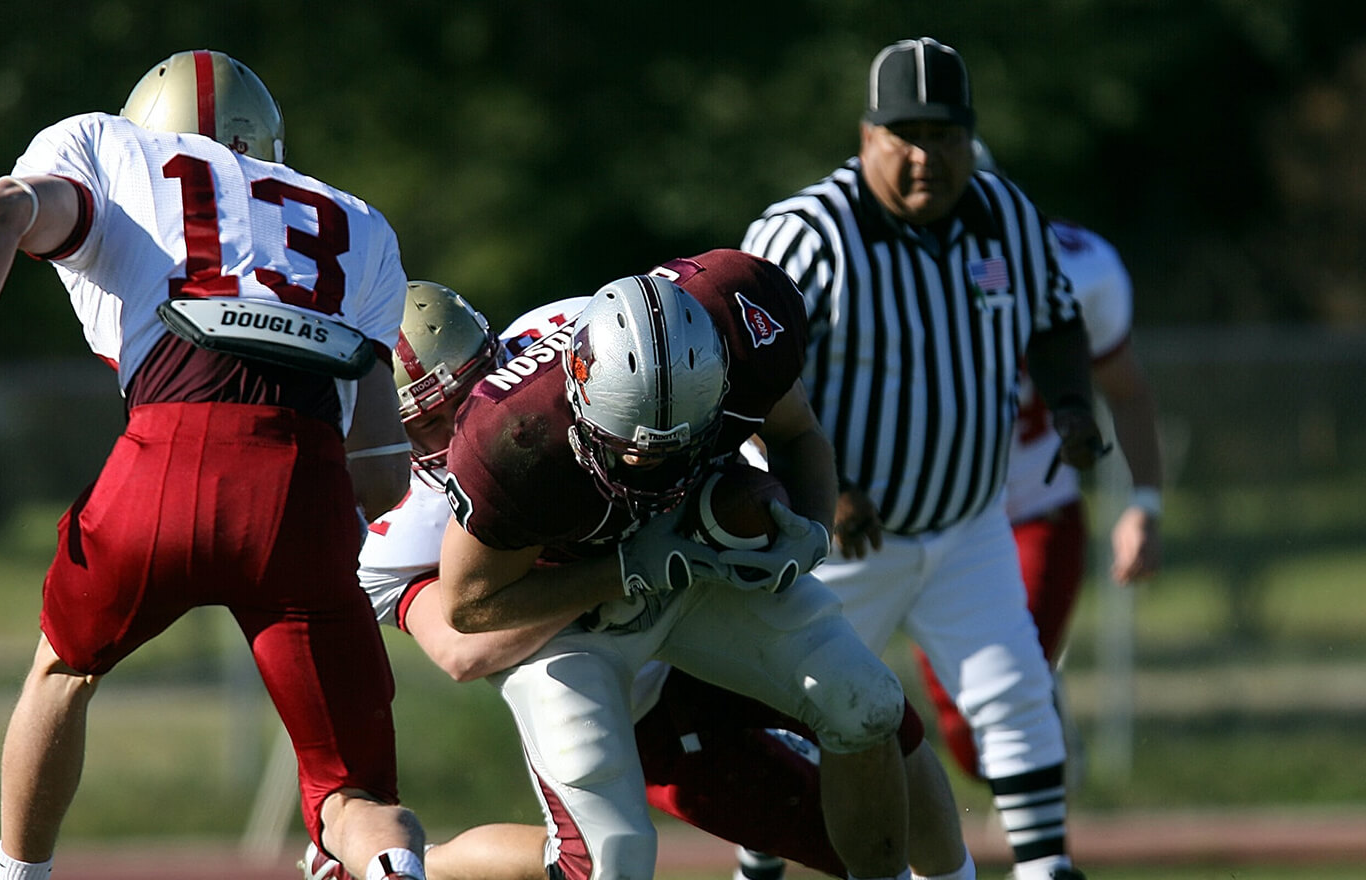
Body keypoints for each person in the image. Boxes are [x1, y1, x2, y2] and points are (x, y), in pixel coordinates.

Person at [0, 50, 428, 880]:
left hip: (166, 452)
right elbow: (383, 468)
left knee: (64, 669)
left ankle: (17, 872)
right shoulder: (358, 220)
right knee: (353, 794)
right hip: (303, 477)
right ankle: (390, 867)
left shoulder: (111, 150)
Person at [326, 282, 975, 880]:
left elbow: (723, 424)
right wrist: (622, 571)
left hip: (694, 589)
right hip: (619, 681)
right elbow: (464, 646)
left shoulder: (575, 344)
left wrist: (763, 514)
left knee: (873, 714)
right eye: (429, 422)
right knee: (611, 862)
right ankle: (425, 867)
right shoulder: (399, 521)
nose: (463, 422)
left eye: (470, 388)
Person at [741, 38, 1105, 880]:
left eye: (943, 134)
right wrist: (819, 490)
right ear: (864, 135)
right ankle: (755, 870)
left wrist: (1077, 407)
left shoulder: (1003, 211)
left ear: (969, 139)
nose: (923, 155)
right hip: (838, 540)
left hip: (969, 524)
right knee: (793, 716)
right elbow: (745, 373)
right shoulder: (808, 233)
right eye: (902, 133)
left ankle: (1046, 866)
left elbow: (1053, 318)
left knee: (1014, 689)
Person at [912, 166, 1167, 779]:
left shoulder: (1076, 268)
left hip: (1034, 507)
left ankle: (1044, 853)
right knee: (964, 729)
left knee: (1003, 692)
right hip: (930, 522)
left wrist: (1145, 503)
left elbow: (1126, 392)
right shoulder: (863, 264)